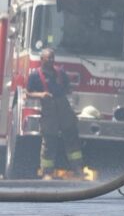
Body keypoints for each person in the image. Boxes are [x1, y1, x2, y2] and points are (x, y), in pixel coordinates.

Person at [25, 48, 84, 179]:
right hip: (48, 109)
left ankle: (78, 169)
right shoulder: (35, 75)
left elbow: (68, 88)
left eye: (52, 57)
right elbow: (27, 93)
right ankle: (47, 172)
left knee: (71, 137)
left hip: (63, 107)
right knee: (49, 140)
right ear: (42, 60)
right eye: (48, 58)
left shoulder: (60, 73)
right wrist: (41, 94)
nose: (51, 60)